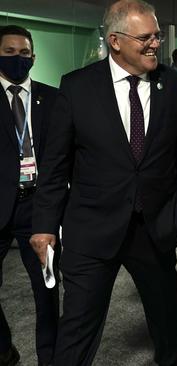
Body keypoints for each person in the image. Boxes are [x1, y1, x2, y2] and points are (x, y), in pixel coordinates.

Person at [29, 0, 177, 364]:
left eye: (157, 36)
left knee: (167, 327)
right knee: (77, 329)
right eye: (146, 38)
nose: (156, 44)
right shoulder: (76, 87)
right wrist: (44, 225)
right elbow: (56, 165)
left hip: (154, 229)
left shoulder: (176, 85)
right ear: (116, 41)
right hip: (91, 231)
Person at [0, 24, 59, 366]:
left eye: (23, 53)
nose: (17, 59)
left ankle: (49, 358)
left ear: (33, 57)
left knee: (47, 290)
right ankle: (3, 347)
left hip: (40, 208)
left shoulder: (52, 98)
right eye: (9, 52)